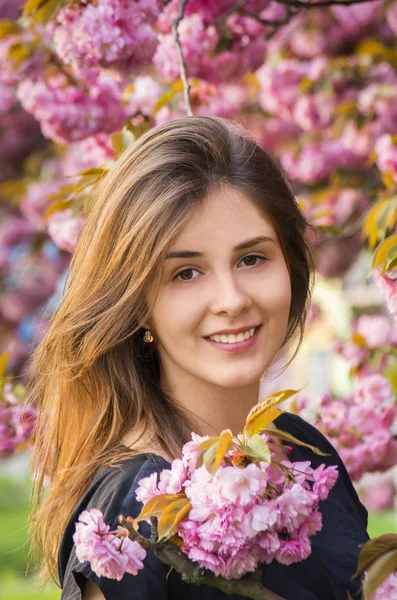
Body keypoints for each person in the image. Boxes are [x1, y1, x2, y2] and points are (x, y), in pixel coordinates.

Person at [29, 116, 368, 600]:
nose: (231, 299)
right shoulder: (134, 513)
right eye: (186, 273)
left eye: (252, 259)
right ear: (137, 303)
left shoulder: (305, 455)